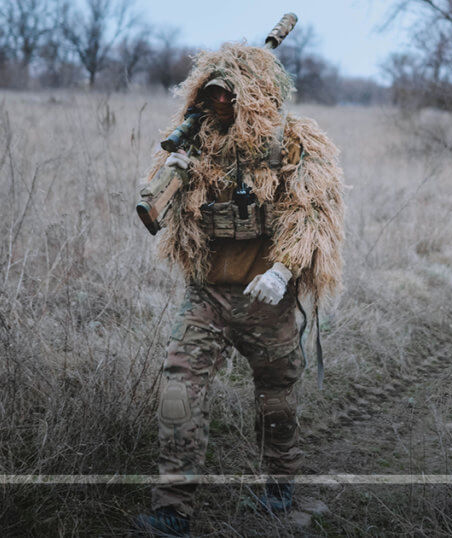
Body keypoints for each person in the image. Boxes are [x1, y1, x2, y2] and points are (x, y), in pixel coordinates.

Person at [133, 43, 345, 536]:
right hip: (207, 293)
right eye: (212, 95)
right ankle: (172, 508)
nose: (221, 103)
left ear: (255, 94)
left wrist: (283, 269)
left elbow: (310, 216)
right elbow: (162, 200)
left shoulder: (291, 141)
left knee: (275, 398)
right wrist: (170, 181)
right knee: (177, 390)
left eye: (230, 94)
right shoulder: (193, 141)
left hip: (265, 296)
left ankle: (278, 485)